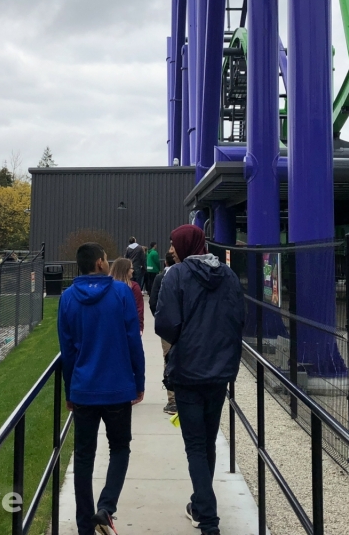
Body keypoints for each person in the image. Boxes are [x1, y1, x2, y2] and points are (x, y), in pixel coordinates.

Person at [154, 225, 244, 535]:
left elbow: (166, 322)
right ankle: (200, 501)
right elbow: (239, 319)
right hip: (220, 372)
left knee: (195, 446)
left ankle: (208, 520)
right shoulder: (229, 276)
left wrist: (183, 340)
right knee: (207, 441)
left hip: (189, 372)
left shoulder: (176, 276)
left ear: (183, 245)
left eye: (174, 243)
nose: (172, 249)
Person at [58, 243, 146, 535]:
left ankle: (85, 525)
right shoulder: (121, 293)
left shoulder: (68, 298)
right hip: (118, 387)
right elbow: (134, 340)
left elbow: (67, 351)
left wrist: (70, 390)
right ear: (99, 263)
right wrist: (140, 381)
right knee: (120, 448)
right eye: (106, 259)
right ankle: (106, 507)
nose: (108, 263)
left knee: (84, 455)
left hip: (84, 389)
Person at [148, 249, 179, 414]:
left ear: (165, 263)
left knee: (169, 359)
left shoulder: (161, 278)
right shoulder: (185, 276)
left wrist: (160, 320)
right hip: (185, 326)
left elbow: (153, 303)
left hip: (168, 326)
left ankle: (173, 399)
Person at [109, 257, 144, 333]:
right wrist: (140, 327)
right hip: (128, 328)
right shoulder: (134, 287)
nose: (133, 270)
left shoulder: (107, 286)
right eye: (131, 268)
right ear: (125, 270)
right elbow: (139, 309)